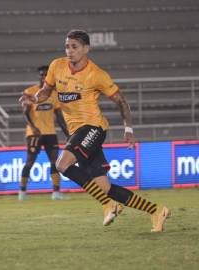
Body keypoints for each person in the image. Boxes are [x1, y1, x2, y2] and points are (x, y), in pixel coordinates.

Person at [19, 30, 171, 231]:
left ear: (86, 49)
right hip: (77, 133)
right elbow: (46, 91)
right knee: (104, 187)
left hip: (93, 128)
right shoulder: (57, 66)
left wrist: (128, 128)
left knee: (62, 164)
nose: (70, 51)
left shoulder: (96, 74)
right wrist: (35, 98)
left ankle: (108, 205)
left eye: (74, 47)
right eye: (67, 46)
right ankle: (157, 211)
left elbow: (121, 100)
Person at [19, 65, 70, 201]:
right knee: (30, 162)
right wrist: (33, 127)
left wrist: (67, 133)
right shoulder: (30, 92)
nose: (44, 77)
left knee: (55, 162)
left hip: (50, 133)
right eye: (42, 74)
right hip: (34, 134)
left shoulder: (54, 94)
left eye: (46, 75)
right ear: (38, 77)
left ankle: (56, 193)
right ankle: (22, 192)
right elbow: (25, 113)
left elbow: (59, 117)